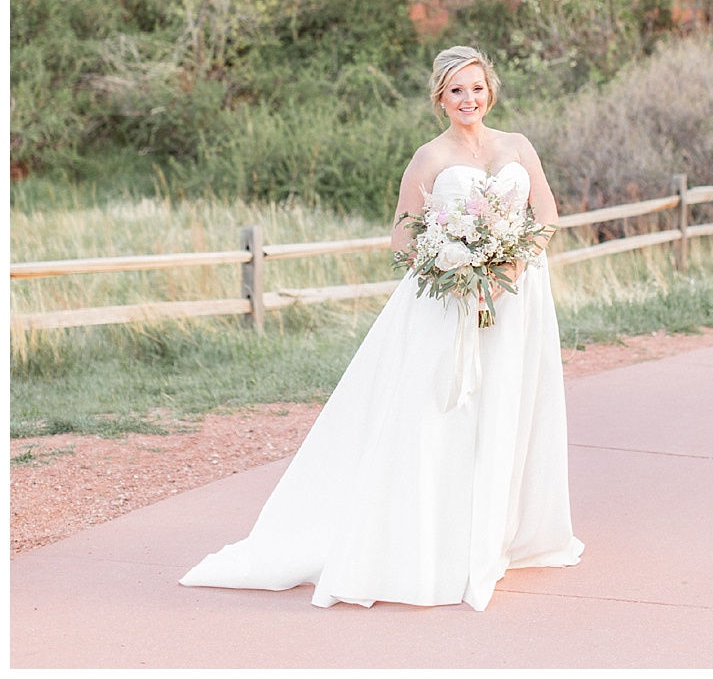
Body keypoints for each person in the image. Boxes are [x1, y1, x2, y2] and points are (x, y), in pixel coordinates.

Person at [182, 46, 583, 610]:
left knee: (509, 406)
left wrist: (515, 260)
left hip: (519, 300)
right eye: (455, 91)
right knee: (444, 413)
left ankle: (498, 532)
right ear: (440, 98)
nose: (468, 100)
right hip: (451, 304)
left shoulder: (518, 147)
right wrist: (456, 263)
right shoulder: (430, 157)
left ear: (490, 89)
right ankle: (435, 542)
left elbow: (546, 214)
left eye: (475, 87)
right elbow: (402, 235)